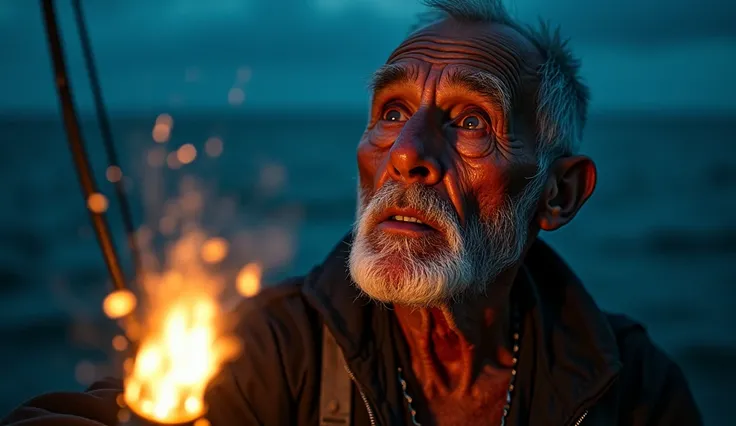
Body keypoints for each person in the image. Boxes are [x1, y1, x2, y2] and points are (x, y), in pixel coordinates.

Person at [2, 0, 702, 425]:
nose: (407, 153)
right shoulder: (272, 349)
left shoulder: (634, 388)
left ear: (558, 195)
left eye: (469, 121)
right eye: (392, 112)